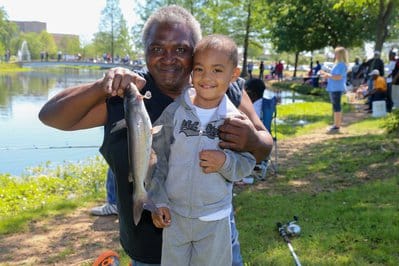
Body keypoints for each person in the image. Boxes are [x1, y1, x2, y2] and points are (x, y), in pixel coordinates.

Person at [38, 5, 273, 265]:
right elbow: (51, 116)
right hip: (149, 250)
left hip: (215, 239)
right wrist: (100, 85)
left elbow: (264, 145)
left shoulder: (223, 88)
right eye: (157, 49)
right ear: (146, 51)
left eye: (181, 49)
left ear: (195, 53)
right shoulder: (126, 94)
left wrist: (252, 140)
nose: (168, 57)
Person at [149, 34, 256, 266]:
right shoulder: (173, 112)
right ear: (191, 72)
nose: (206, 77)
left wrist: (225, 162)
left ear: (233, 75)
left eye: (217, 70)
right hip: (174, 218)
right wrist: (158, 201)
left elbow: (247, 164)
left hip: (214, 220)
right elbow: (155, 159)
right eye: (199, 69)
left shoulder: (236, 120)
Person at [319, 46, 348, 134]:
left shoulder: (342, 65)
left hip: (337, 88)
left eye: (336, 53)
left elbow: (338, 77)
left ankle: (337, 126)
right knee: (335, 106)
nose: (335, 55)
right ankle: (335, 124)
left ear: (340, 54)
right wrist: (325, 75)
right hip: (333, 87)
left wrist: (328, 75)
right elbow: (333, 75)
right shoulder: (337, 64)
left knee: (337, 106)